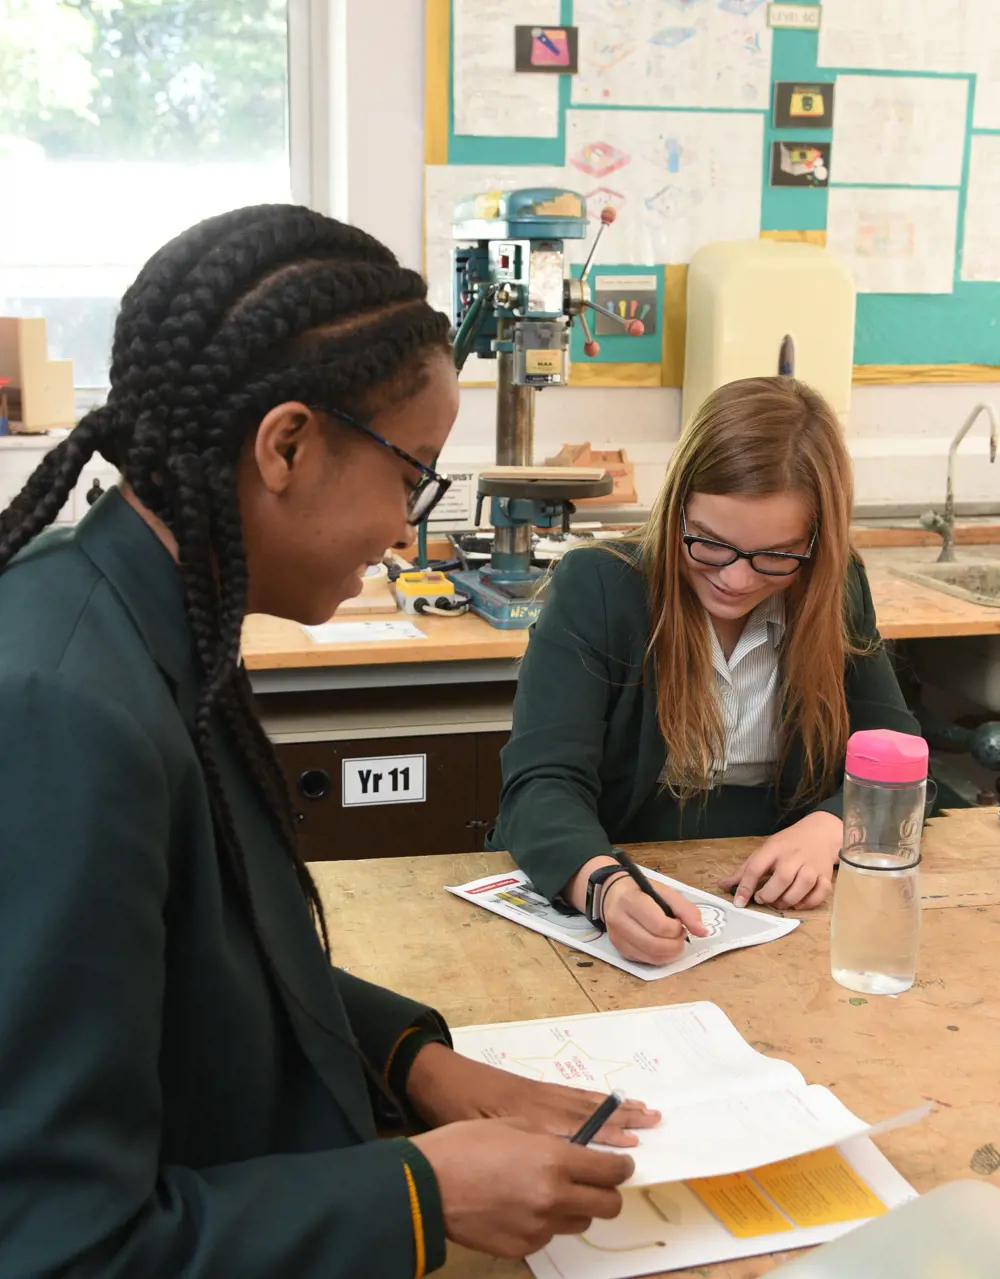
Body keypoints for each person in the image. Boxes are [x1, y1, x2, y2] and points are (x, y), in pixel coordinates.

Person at [0, 206, 658, 1278]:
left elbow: (203, 965)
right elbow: (58, 1246)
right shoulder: (61, 709)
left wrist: (409, 1060)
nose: (407, 529)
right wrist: (422, 1193)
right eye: (412, 476)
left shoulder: (157, 617)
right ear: (287, 444)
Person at [490, 376, 921, 966]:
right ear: (676, 511)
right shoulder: (601, 586)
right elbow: (541, 786)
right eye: (710, 544)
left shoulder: (834, 588)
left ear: (816, 545)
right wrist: (603, 887)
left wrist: (830, 828)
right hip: (621, 878)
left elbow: (899, 761)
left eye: (776, 555)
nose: (736, 579)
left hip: (778, 916)